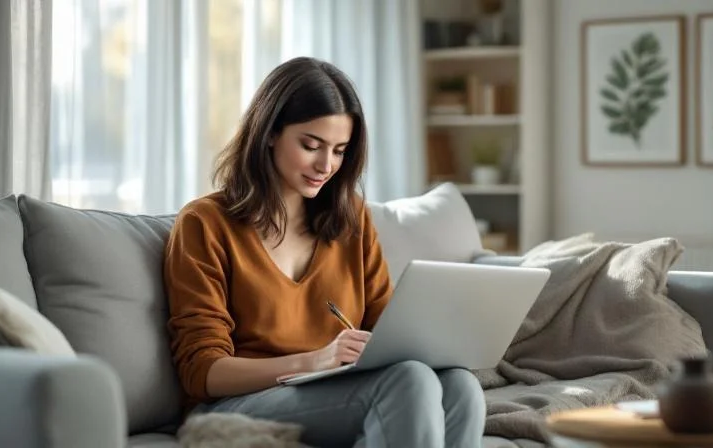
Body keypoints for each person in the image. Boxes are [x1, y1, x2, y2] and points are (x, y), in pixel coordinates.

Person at [163, 57, 486, 448]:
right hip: (234, 403)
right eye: (311, 145)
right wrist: (316, 360)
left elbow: (388, 329)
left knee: (460, 386)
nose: (326, 165)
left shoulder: (351, 221)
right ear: (269, 134)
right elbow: (203, 372)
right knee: (410, 381)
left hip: (332, 389)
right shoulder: (205, 223)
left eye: (339, 150)